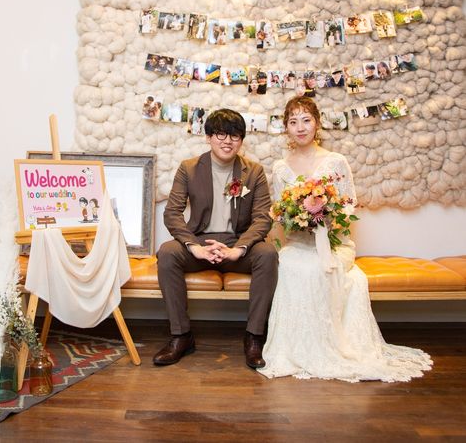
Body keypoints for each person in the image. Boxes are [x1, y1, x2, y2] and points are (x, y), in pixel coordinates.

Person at [258, 96, 432, 383]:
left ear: (317, 123)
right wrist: (299, 218)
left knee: (322, 268)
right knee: (291, 266)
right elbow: (279, 212)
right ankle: (298, 348)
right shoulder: (280, 167)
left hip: (335, 243)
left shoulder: (335, 161)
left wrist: (325, 219)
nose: (300, 127)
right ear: (286, 128)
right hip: (299, 243)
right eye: (293, 122)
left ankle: (335, 347)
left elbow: (348, 205)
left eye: (306, 120)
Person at [154, 109, 278, 369]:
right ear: (208, 137)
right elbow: (172, 213)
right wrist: (194, 247)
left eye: (235, 135)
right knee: (167, 252)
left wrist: (239, 249)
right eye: (220, 134)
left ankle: (254, 336)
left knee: (267, 254)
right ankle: (181, 336)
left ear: (241, 140)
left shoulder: (254, 171)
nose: (227, 141)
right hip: (200, 243)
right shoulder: (189, 168)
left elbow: (262, 218)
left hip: (237, 244)